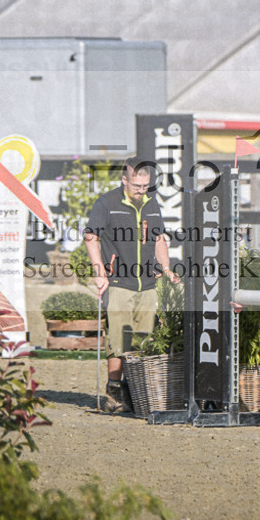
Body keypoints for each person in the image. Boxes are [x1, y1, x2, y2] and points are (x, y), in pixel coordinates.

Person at [84, 157, 179, 412]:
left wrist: (167, 268)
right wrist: (99, 272)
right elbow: (91, 237)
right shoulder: (107, 203)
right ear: (124, 180)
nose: (141, 190)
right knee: (119, 339)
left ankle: (135, 393)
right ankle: (113, 394)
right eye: (136, 185)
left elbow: (159, 239)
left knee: (143, 340)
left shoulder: (152, 203)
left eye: (145, 185)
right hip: (118, 281)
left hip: (148, 283)